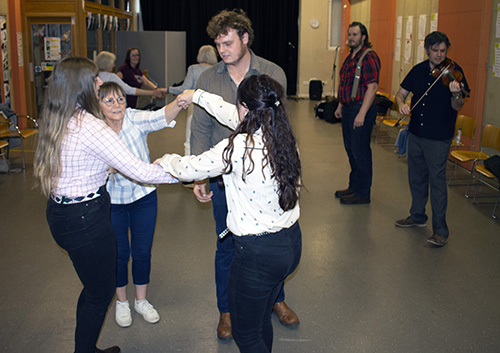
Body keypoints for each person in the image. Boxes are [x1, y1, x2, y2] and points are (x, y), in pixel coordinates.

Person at [33, 57, 178, 353]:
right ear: (82, 86)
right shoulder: (92, 127)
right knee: (100, 293)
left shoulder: (58, 116)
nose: (101, 84)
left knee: (92, 288)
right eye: (95, 81)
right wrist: (183, 171)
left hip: (60, 215)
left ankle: (86, 349)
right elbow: (139, 171)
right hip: (86, 219)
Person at [160, 74, 302, 353]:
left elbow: (191, 168)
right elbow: (229, 112)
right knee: (261, 318)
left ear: (247, 110)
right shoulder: (284, 137)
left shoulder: (237, 148)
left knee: (246, 334)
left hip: (257, 256)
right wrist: (196, 95)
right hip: (290, 245)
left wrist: (166, 160)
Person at [190, 9, 299, 341]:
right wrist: (199, 176)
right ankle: (227, 310)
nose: (222, 50)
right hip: (225, 180)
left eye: (227, 42)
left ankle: (274, 300)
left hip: (268, 178)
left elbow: (284, 125)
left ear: (245, 38)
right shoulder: (209, 78)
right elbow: (200, 127)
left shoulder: (271, 72)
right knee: (228, 246)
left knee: (273, 236)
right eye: (218, 44)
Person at [97, 82, 183, 327]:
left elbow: (159, 117)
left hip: (143, 197)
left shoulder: (133, 118)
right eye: (109, 101)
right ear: (99, 106)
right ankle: (122, 302)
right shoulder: (96, 131)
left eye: (120, 99)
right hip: (113, 202)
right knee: (120, 253)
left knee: (142, 252)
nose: (117, 105)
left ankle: (141, 300)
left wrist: (180, 101)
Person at [394, 31, 469, 247]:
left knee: (436, 182)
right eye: (435, 50)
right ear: (427, 50)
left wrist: (456, 94)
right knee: (416, 178)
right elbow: (401, 94)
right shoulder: (418, 70)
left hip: (439, 137)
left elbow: (458, 105)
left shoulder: (454, 73)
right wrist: (401, 104)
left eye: (443, 51)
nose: (439, 55)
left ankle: (440, 231)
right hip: (416, 133)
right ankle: (417, 216)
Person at [334, 21, 381, 205]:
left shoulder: (368, 57)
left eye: (355, 34)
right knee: (351, 150)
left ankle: (362, 193)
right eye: (350, 34)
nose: (351, 38)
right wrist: (340, 105)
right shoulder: (350, 57)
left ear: (363, 37)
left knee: (360, 151)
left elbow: (372, 87)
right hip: (348, 107)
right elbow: (345, 84)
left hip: (361, 108)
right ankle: (354, 186)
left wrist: (361, 114)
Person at [168, 45, 218, 156]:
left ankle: (189, 166)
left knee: (190, 138)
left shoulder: (193, 69)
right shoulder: (217, 70)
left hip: (194, 106)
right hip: (213, 107)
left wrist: (167, 89)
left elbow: (184, 88)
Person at [95, 51, 167, 104]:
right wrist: (153, 93)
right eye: (133, 55)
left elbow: (146, 82)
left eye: (137, 55)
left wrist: (155, 90)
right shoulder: (114, 75)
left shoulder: (94, 75)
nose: (114, 65)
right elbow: (129, 90)